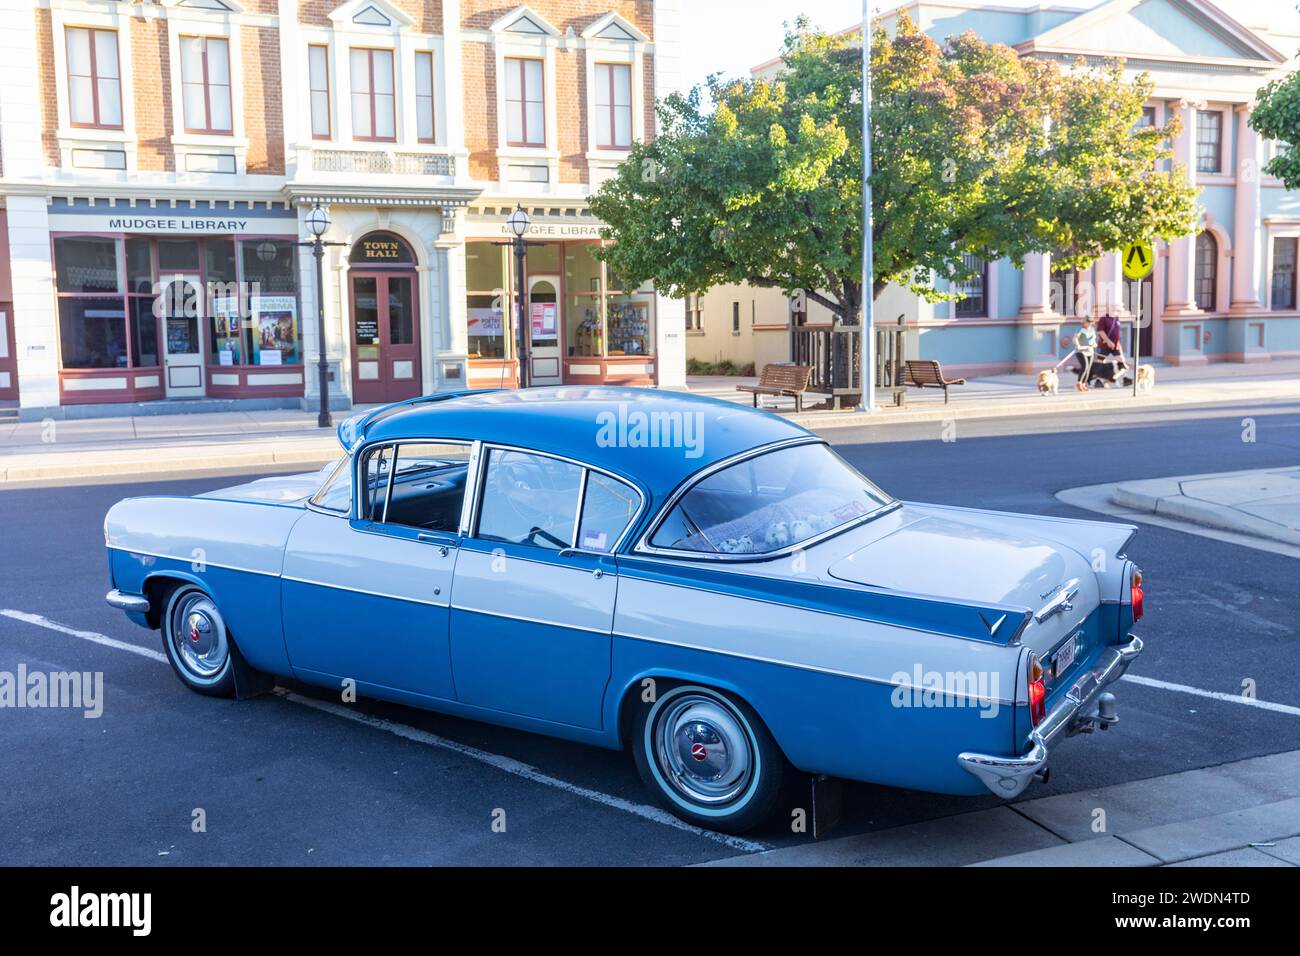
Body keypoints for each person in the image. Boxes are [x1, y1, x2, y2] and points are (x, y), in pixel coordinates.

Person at [1073, 316, 1097, 392]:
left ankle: (1083, 384)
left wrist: (1094, 344)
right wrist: (1078, 345)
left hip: (1090, 351)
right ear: (1084, 321)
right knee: (1085, 367)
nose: (1089, 323)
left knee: (1088, 368)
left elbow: (1094, 340)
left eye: (1091, 322)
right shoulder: (1080, 329)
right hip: (1081, 351)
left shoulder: (1092, 329)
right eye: (1088, 322)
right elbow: (1075, 338)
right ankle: (1079, 383)